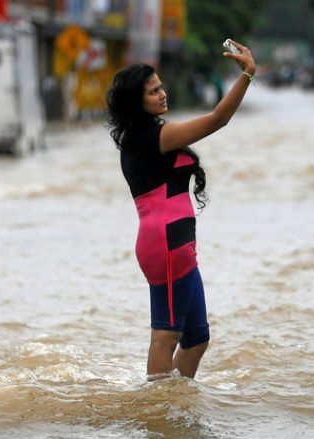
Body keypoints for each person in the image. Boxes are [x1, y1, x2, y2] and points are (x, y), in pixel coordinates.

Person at [106, 39, 256, 381]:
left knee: (197, 338)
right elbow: (219, 119)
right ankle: (158, 418)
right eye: (153, 91)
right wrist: (248, 74)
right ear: (136, 102)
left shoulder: (147, 135)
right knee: (165, 337)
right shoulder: (153, 137)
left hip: (177, 244)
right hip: (166, 244)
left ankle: (177, 407)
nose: (162, 94)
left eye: (161, 87)